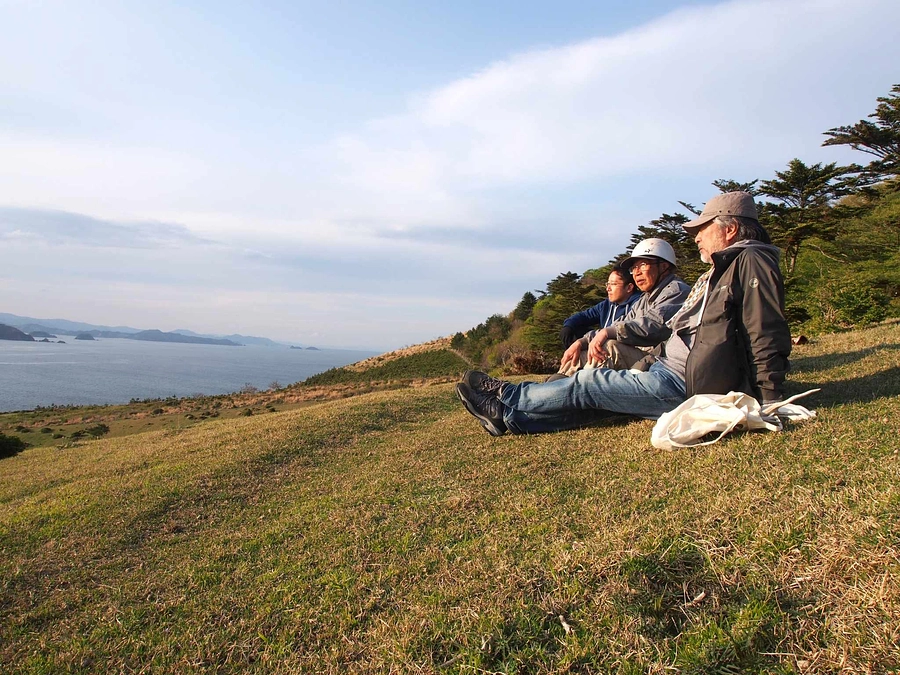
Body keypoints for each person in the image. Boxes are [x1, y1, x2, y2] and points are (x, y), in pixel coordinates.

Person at [456, 191, 792, 436]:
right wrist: (595, 339)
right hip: (669, 370)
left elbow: (765, 330)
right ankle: (510, 418)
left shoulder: (751, 260)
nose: (697, 237)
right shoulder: (724, 269)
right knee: (599, 402)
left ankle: (506, 395)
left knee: (589, 383)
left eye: (703, 229)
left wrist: (769, 399)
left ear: (729, 229)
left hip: (683, 382)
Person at [555, 238, 689, 377]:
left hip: (663, 363)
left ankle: (579, 387)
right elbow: (619, 323)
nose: (637, 273)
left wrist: (607, 332)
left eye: (643, 265)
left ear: (664, 266)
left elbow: (653, 325)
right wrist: (582, 341)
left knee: (609, 348)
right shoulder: (644, 299)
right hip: (646, 357)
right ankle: (556, 383)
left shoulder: (676, 292)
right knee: (582, 353)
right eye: (634, 268)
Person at [559, 265, 641, 349]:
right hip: (605, 346)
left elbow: (623, 330)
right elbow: (585, 316)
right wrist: (568, 326)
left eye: (613, 284)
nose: (608, 288)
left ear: (629, 287)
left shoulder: (639, 304)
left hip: (626, 350)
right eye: (607, 284)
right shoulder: (607, 305)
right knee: (574, 329)